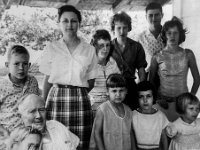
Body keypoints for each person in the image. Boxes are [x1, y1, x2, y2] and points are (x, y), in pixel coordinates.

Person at [39, 5, 98, 149]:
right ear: (59, 23)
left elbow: (91, 81)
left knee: (80, 143)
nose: (69, 25)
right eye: (65, 21)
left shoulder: (89, 49)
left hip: (80, 101)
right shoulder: (51, 47)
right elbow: (47, 81)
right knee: (56, 141)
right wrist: (43, 106)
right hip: (56, 100)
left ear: (79, 23)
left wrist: (77, 92)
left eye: (73, 21)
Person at [149, 16, 200, 122]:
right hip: (163, 104)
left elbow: (197, 80)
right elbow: (151, 81)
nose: (172, 36)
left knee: (182, 134)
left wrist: (189, 99)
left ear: (180, 35)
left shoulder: (188, 54)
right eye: (169, 33)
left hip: (182, 104)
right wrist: (157, 98)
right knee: (163, 135)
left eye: (175, 33)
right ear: (164, 35)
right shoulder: (157, 56)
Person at [110, 11, 147, 110]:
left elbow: (141, 69)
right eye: (118, 28)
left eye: (124, 27)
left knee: (132, 116)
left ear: (129, 28)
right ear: (113, 28)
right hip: (113, 87)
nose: (122, 31)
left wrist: (141, 87)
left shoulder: (136, 46)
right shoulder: (108, 47)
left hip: (131, 87)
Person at [89, 73, 136, 150]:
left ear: (126, 91)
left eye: (121, 90)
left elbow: (130, 133)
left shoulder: (128, 110)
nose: (118, 94)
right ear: (107, 92)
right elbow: (97, 133)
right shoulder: (103, 109)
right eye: (114, 91)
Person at [0, 45, 39, 133]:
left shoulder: (32, 81)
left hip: (29, 132)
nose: (21, 68)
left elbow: (37, 107)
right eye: (16, 64)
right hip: (7, 132)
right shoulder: (1, 85)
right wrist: (4, 133)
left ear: (29, 65)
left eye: (25, 64)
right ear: (7, 65)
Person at [89, 29, 120, 112]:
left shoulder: (112, 63)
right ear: (94, 46)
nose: (105, 49)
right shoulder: (88, 64)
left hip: (110, 108)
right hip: (92, 108)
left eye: (107, 45)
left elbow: (119, 86)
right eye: (101, 45)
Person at [132, 81, 168, 150]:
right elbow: (131, 136)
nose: (145, 100)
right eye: (141, 96)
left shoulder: (160, 116)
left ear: (153, 97)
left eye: (148, 96)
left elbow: (164, 137)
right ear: (137, 98)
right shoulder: (133, 115)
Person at [137, 2, 164, 78]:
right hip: (148, 77)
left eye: (157, 15)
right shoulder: (140, 38)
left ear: (162, 15)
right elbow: (138, 64)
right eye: (150, 15)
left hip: (167, 78)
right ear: (146, 17)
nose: (154, 18)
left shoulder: (169, 34)